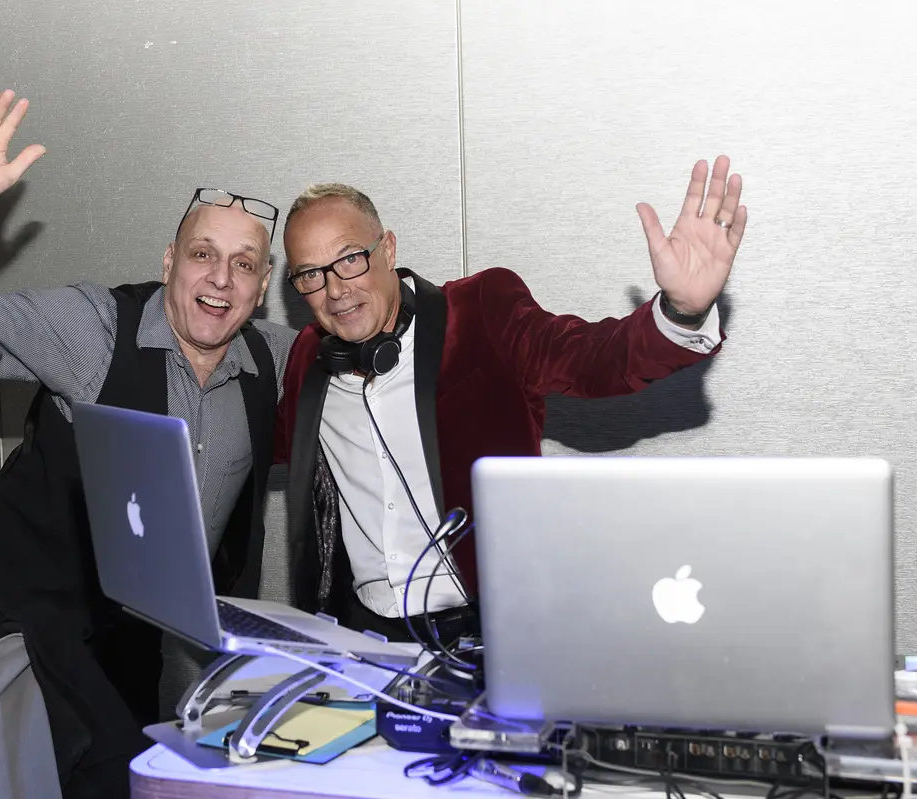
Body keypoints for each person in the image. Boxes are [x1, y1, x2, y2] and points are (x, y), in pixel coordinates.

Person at [0, 89, 295, 798]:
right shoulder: (95, 329)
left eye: (245, 264)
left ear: (261, 288)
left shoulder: (278, 365)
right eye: (203, 253)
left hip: (112, 665)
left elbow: (373, 347)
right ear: (169, 260)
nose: (221, 279)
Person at [273, 157, 747, 646]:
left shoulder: (481, 311)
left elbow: (591, 358)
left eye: (350, 259)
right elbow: (257, 439)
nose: (335, 289)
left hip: (491, 635)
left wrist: (681, 312)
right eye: (310, 274)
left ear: (388, 249)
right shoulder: (309, 357)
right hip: (364, 642)